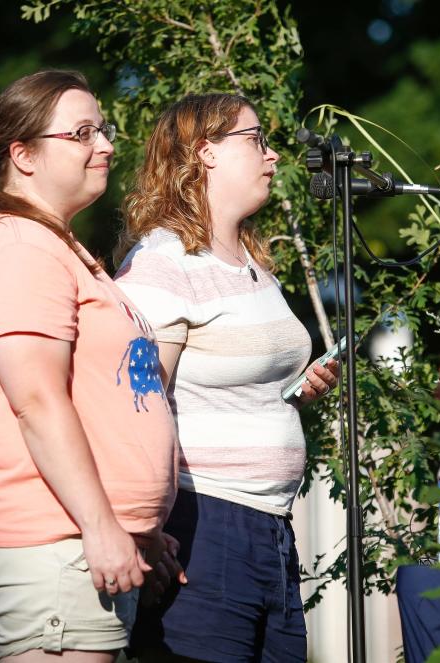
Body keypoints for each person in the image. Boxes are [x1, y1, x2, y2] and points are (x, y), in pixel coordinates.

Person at [0, 69, 184, 663]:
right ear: (23, 155)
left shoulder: (57, 248)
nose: (104, 145)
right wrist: (102, 528)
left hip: (78, 540)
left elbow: (99, 404)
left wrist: (135, 525)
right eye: (81, 133)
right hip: (50, 543)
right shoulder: (20, 252)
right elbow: (38, 403)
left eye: (101, 131)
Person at [114, 93, 339, 662]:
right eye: (255, 139)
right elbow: (138, 403)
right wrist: (143, 526)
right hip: (204, 524)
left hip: (272, 527)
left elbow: (236, 379)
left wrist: (295, 389)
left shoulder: (251, 262)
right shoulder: (163, 262)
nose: (273, 155)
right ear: (204, 152)